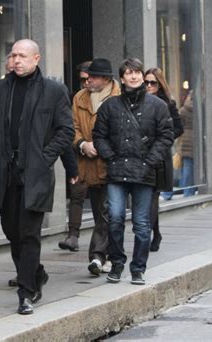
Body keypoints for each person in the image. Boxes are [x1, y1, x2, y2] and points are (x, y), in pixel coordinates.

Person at [0, 39, 74, 314]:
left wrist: (45, 158)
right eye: (13, 55)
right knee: (12, 230)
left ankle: (26, 291)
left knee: (29, 232)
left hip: (35, 174)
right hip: (6, 173)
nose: (16, 60)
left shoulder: (54, 91)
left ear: (37, 58)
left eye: (22, 55)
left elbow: (66, 132)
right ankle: (36, 273)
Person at [92, 58, 173, 285]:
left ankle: (138, 268)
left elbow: (166, 135)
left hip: (144, 172)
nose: (134, 76)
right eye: (129, 73)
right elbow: (99, 134)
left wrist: (150, 161)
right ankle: (117, 263)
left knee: (142, 223)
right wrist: (110, 156)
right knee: (115, 218)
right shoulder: (110, 106)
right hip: (117, 172)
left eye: (137, 72)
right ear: (122, 78)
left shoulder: (157, 106)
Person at [58, 58, 121, 277]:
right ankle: (107, 255)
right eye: (87, 77)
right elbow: (71, 126)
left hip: (112, 165)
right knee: (99, 212)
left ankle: (98, 256)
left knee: (109, 213)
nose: (88, 81)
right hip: (87, 164)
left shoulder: (119, 97)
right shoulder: (79, 98)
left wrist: (103, 147)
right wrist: (82, 144)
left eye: (92, 77)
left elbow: (124, 132)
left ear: (105, 79)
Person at [144, 68, 183, 252]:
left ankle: (146, 235)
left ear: (160, 84)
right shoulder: (140, 102)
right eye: (147, 82)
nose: (149, 86)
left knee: (153, 196)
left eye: (153, 83)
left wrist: (164, 140)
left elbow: (178, 128)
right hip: (143, 157)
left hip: (160, 158)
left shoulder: (167, 104)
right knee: (148, 197)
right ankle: (155, 233)